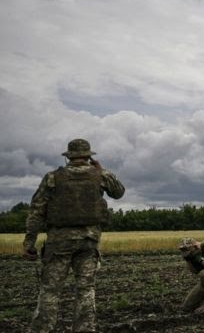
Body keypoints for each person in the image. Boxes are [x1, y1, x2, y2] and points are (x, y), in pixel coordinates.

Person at [22, 138, 125, 333]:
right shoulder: (100, 175)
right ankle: (85, 329)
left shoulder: (52, 177)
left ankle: (42, 329)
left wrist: (29, 243)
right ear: (88, 156)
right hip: (89, 242)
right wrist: (102, 170)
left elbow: (36, 210)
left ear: (68, 157)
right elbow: (118, 192)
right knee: (86, 289)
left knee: (50, 290)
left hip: (59, 243)